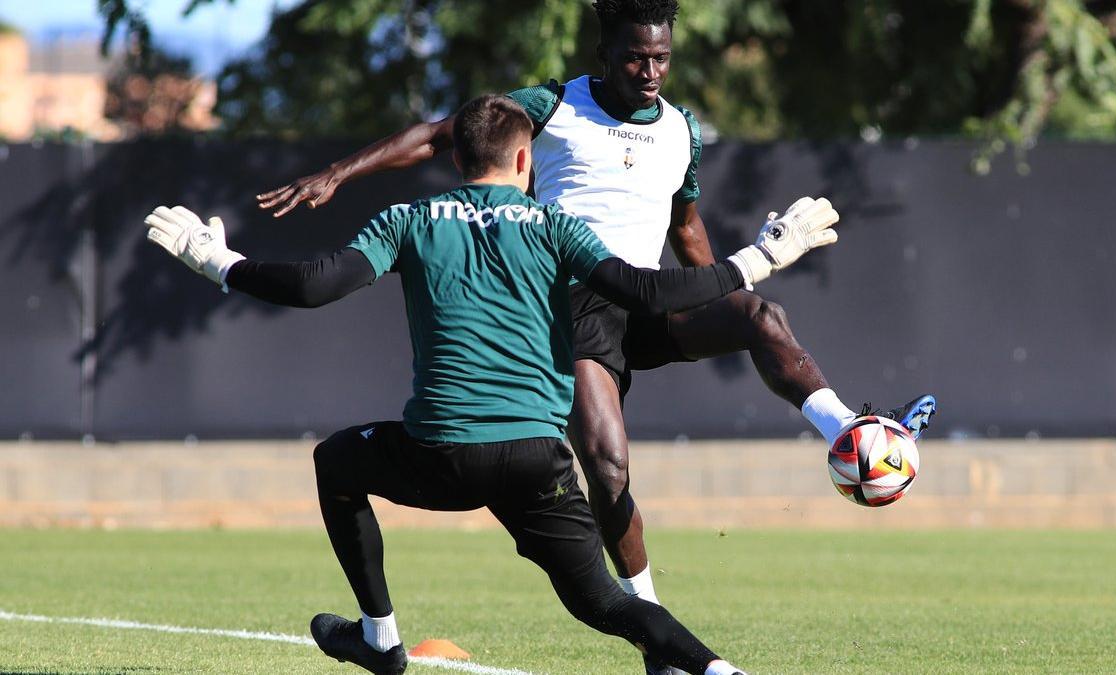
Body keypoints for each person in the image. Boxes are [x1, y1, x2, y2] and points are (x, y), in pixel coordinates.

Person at [256, 2, 935, 672]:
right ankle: (656, 639)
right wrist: (338, 174)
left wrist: (728, 287)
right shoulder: (550, 106)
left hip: (645, 297)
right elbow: (442, 133)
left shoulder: (682, 130)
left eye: (662, 57)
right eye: (636, 56)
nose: (650, 70)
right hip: (573, 305)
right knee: (607, 465)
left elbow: (688, 229)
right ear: (603, 54)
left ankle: (850, 429)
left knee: (760, 316)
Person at [144, 94, 839, 675]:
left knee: (336, 461)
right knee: (605, 602)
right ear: (524, 160)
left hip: (439, 455)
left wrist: (219, 261)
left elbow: (313, 285)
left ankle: (381, 639)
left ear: (456, 159)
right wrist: (763, 255)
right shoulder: (551, 224)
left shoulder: (410, 220)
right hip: (538, 459)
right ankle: (718, 669)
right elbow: (647, 290)